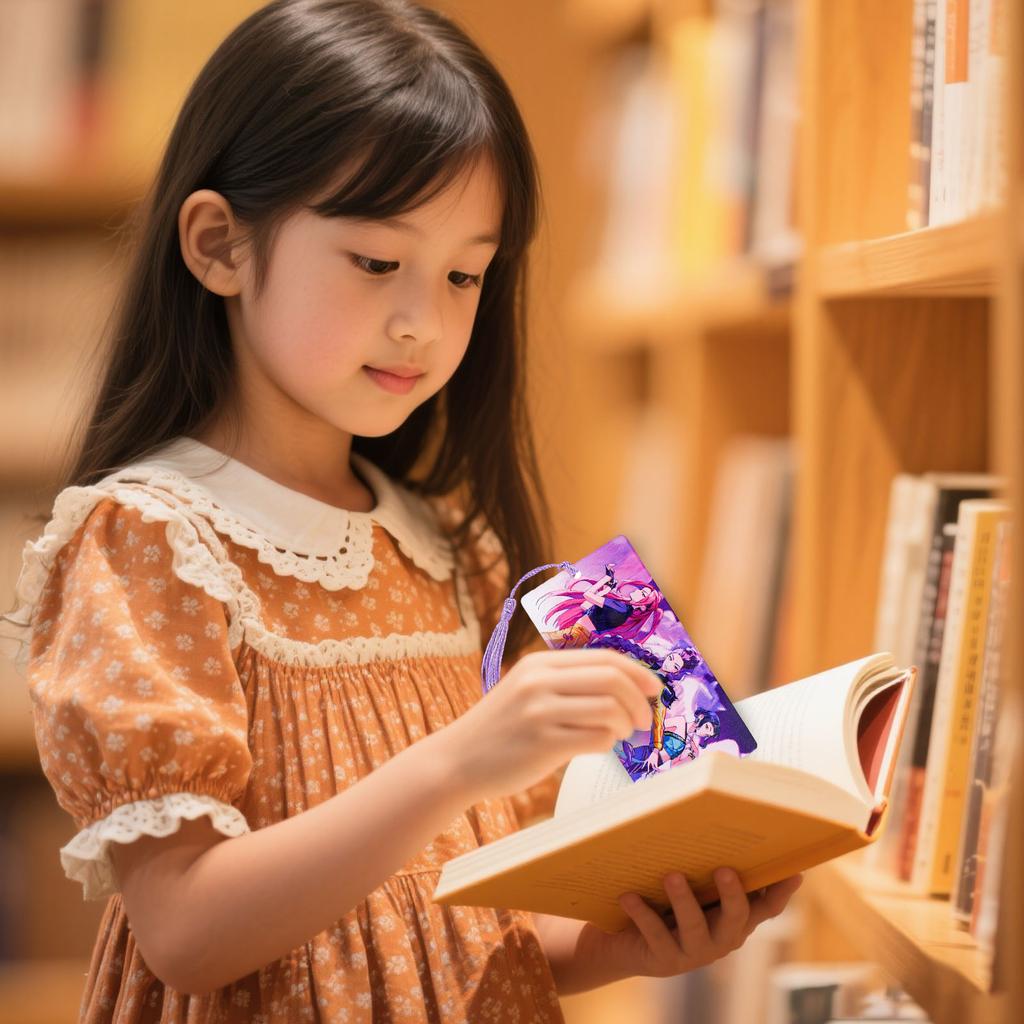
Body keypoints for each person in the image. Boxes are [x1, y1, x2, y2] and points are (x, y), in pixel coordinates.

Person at [0, 1, 802, 1019]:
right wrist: (461, 759)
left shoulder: (447, 544)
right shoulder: (150, 539)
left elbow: (461, 918)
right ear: (218, 245)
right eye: (378, 261)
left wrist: (615, 939)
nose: (422, 321)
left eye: (465, 272)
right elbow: (189, 932)